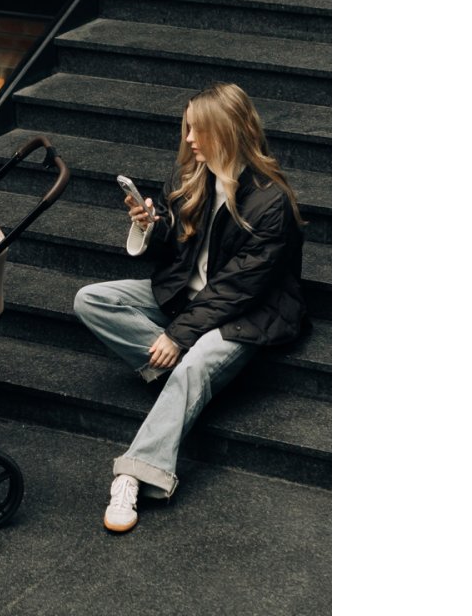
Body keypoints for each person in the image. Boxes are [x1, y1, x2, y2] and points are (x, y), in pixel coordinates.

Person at [73, 82, 307, 533]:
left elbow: (238, 288)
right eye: (187, 128)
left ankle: (135, 473)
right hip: (188, 296)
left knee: (195, 359)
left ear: (228, 131)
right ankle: (185, 383)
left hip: (246, 313)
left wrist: (178, 335)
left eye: (199, 129)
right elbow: (181, 251)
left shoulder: (270, 200)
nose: (189, 139)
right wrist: (154, 225)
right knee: (92, 299)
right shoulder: (191, 177)